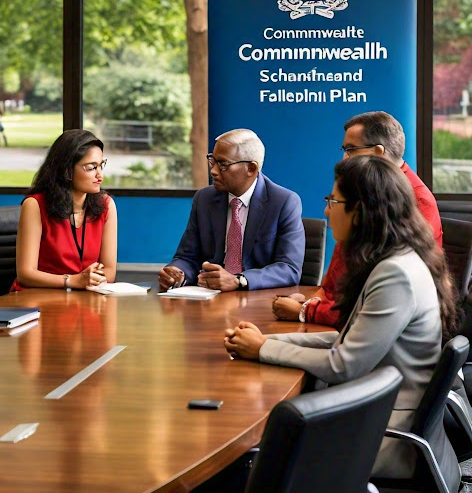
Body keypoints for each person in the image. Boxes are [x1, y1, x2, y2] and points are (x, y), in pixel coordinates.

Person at [224, 156, 459, 478]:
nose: (325, 209)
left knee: (245, 462)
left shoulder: (395, 274)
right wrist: (266, 341)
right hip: (375, 417)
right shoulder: (397, 259)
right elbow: (351, 338)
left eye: (333, 200)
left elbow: (345, 364)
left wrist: (264, 349)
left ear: (360, 211)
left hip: (385, 435)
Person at [273, 110, 443, 326]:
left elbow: (380, 303)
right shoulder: (369, 191)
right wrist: (314, 300)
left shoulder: (417, 201)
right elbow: (339, 270)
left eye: (350, 149)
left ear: (379, 152)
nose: (344, 158)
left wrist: (307, 311)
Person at [159, 129, 305, 292]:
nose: (213, 171)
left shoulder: (283, 202)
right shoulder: (204, 199)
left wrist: (239, 280)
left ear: (251, 168)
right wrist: (178, 273)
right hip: (207, 298)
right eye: (212, 161)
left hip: (257, 301)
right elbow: (187, 257)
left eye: (222, 164)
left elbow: (289, 269)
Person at [13, 129, 117, 291]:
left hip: (84, 299)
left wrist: (89, 279)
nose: (100, 176)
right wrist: (72, 281)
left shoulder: (106, 205)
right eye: (91, 168)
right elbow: (26, 274)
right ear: (67, 170)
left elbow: (109, 272)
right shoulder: (35, 205)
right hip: (37, 300)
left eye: (101, 165)